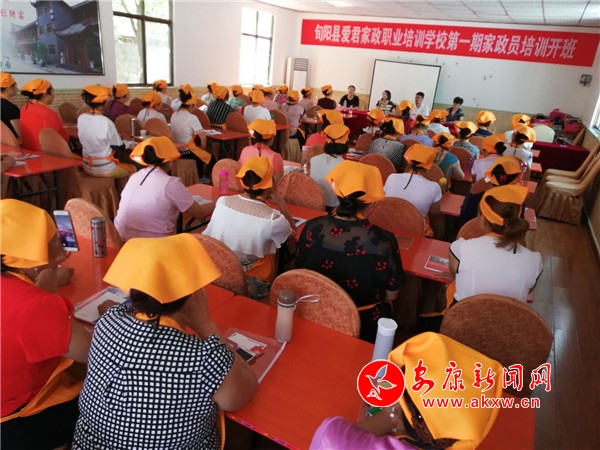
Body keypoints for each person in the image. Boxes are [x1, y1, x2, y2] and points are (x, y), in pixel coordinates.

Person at [72, 233, 258, 449]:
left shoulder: (108, 322)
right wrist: (206, 326)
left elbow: (108, 308)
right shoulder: (203, 359)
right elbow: (244, 391)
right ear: (193, 298)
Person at [1, 199, 92, 450]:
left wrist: (44, 279)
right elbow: (91, 351)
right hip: (17, 423)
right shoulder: (35, 306)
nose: (63, 244)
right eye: (54, 240)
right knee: (106, 394)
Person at [295, 160, 404, 343]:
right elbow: (392, 293)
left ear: (337, 192)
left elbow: (301, 270)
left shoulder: (312, 227)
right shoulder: (383, 241)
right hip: (362, 323)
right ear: (373, 200)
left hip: (312, 312)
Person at [204, 157, 295, 298]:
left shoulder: (223, 201)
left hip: (217, 269)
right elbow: (293, 233)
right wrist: (281, 203)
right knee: (273, 249)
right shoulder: (273, 220)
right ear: (270, 184)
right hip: (247, 280)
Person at [449, 185, 543, 303]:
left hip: (462, 314)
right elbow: (528, 291)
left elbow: (454, 274)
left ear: (482, 219)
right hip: (509, 315)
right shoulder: (534, 261)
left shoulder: (460, 249)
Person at [114, 137, 215, 241]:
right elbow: (199, 212)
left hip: (119, 238)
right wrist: (219, 201)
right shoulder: (170, 184)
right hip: (151, 243)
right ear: (170, 160)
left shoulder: (135, 176)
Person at [78, 84, 136, 178]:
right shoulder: (106, 122)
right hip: (104, 169)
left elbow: (94, 134)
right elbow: (118, 147)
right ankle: (123, 188)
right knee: (133, 168)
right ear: (104, 102)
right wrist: (129, 143)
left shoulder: (81, 118)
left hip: (87, 165)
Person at [384, 144, 442, 226]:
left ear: (409, 162)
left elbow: (384, 199)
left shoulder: (392, 177)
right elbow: (435, 211)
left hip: (386, 223)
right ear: (430, 165)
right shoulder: (434, 187)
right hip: (413, 227)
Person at [459, 155, 522, 226]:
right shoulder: (518, 201)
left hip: (472, 227)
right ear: (517, 177)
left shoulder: (478, 190)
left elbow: (465, 215)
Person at [170, 84, 213, 182]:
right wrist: (203, 150)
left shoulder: (174, 115)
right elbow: (203, 138)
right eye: (194, 105)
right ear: (190, 105)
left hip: (177, 149)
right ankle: (202, 177)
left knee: (199, 151)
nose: (195, 107)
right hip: (187, 150)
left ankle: (200, 174)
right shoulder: (192, 118)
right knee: (210, 157)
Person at [20, 78, 70, 152]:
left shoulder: (24, 108)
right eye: (53, 91)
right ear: (45, 94)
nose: (54, 95)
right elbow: (63, 139)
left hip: (28, 151)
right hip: (46, 155)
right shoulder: (48, 114)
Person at [309, 124, 349, 211]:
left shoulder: (313, 160)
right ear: (345, 144)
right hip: (333, 207)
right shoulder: (345, 165)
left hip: (313, 203)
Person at [0, 72, 20, 137]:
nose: (17, 89)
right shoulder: (11, 108)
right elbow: (20, 133)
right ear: (9, 88)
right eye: (15, 86)